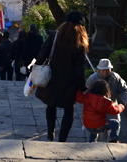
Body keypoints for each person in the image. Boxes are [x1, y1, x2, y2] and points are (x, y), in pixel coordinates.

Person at [32, 11, 88, 142]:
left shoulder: (54, 36)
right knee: (69, 111)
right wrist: (82, 86)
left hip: (52, 78)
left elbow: (42, 55)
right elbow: (79, 70)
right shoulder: (80, 44)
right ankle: (62, 139)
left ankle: (50, 132)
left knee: (50, 106)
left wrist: (36, 69)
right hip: (69, 83)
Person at [85, 58, 127, 142]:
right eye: (103, 70)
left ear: (111, 69)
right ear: (99, 69)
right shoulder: (92, 78)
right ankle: (92, 144)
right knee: (96, 128)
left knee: (115, 125)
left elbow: (124, 89)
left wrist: (126, 100)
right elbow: (87, 93)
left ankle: (112, 141)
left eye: (107, 70)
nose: (105, 72)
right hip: (97, 108)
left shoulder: (116, 77)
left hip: (112, 104)